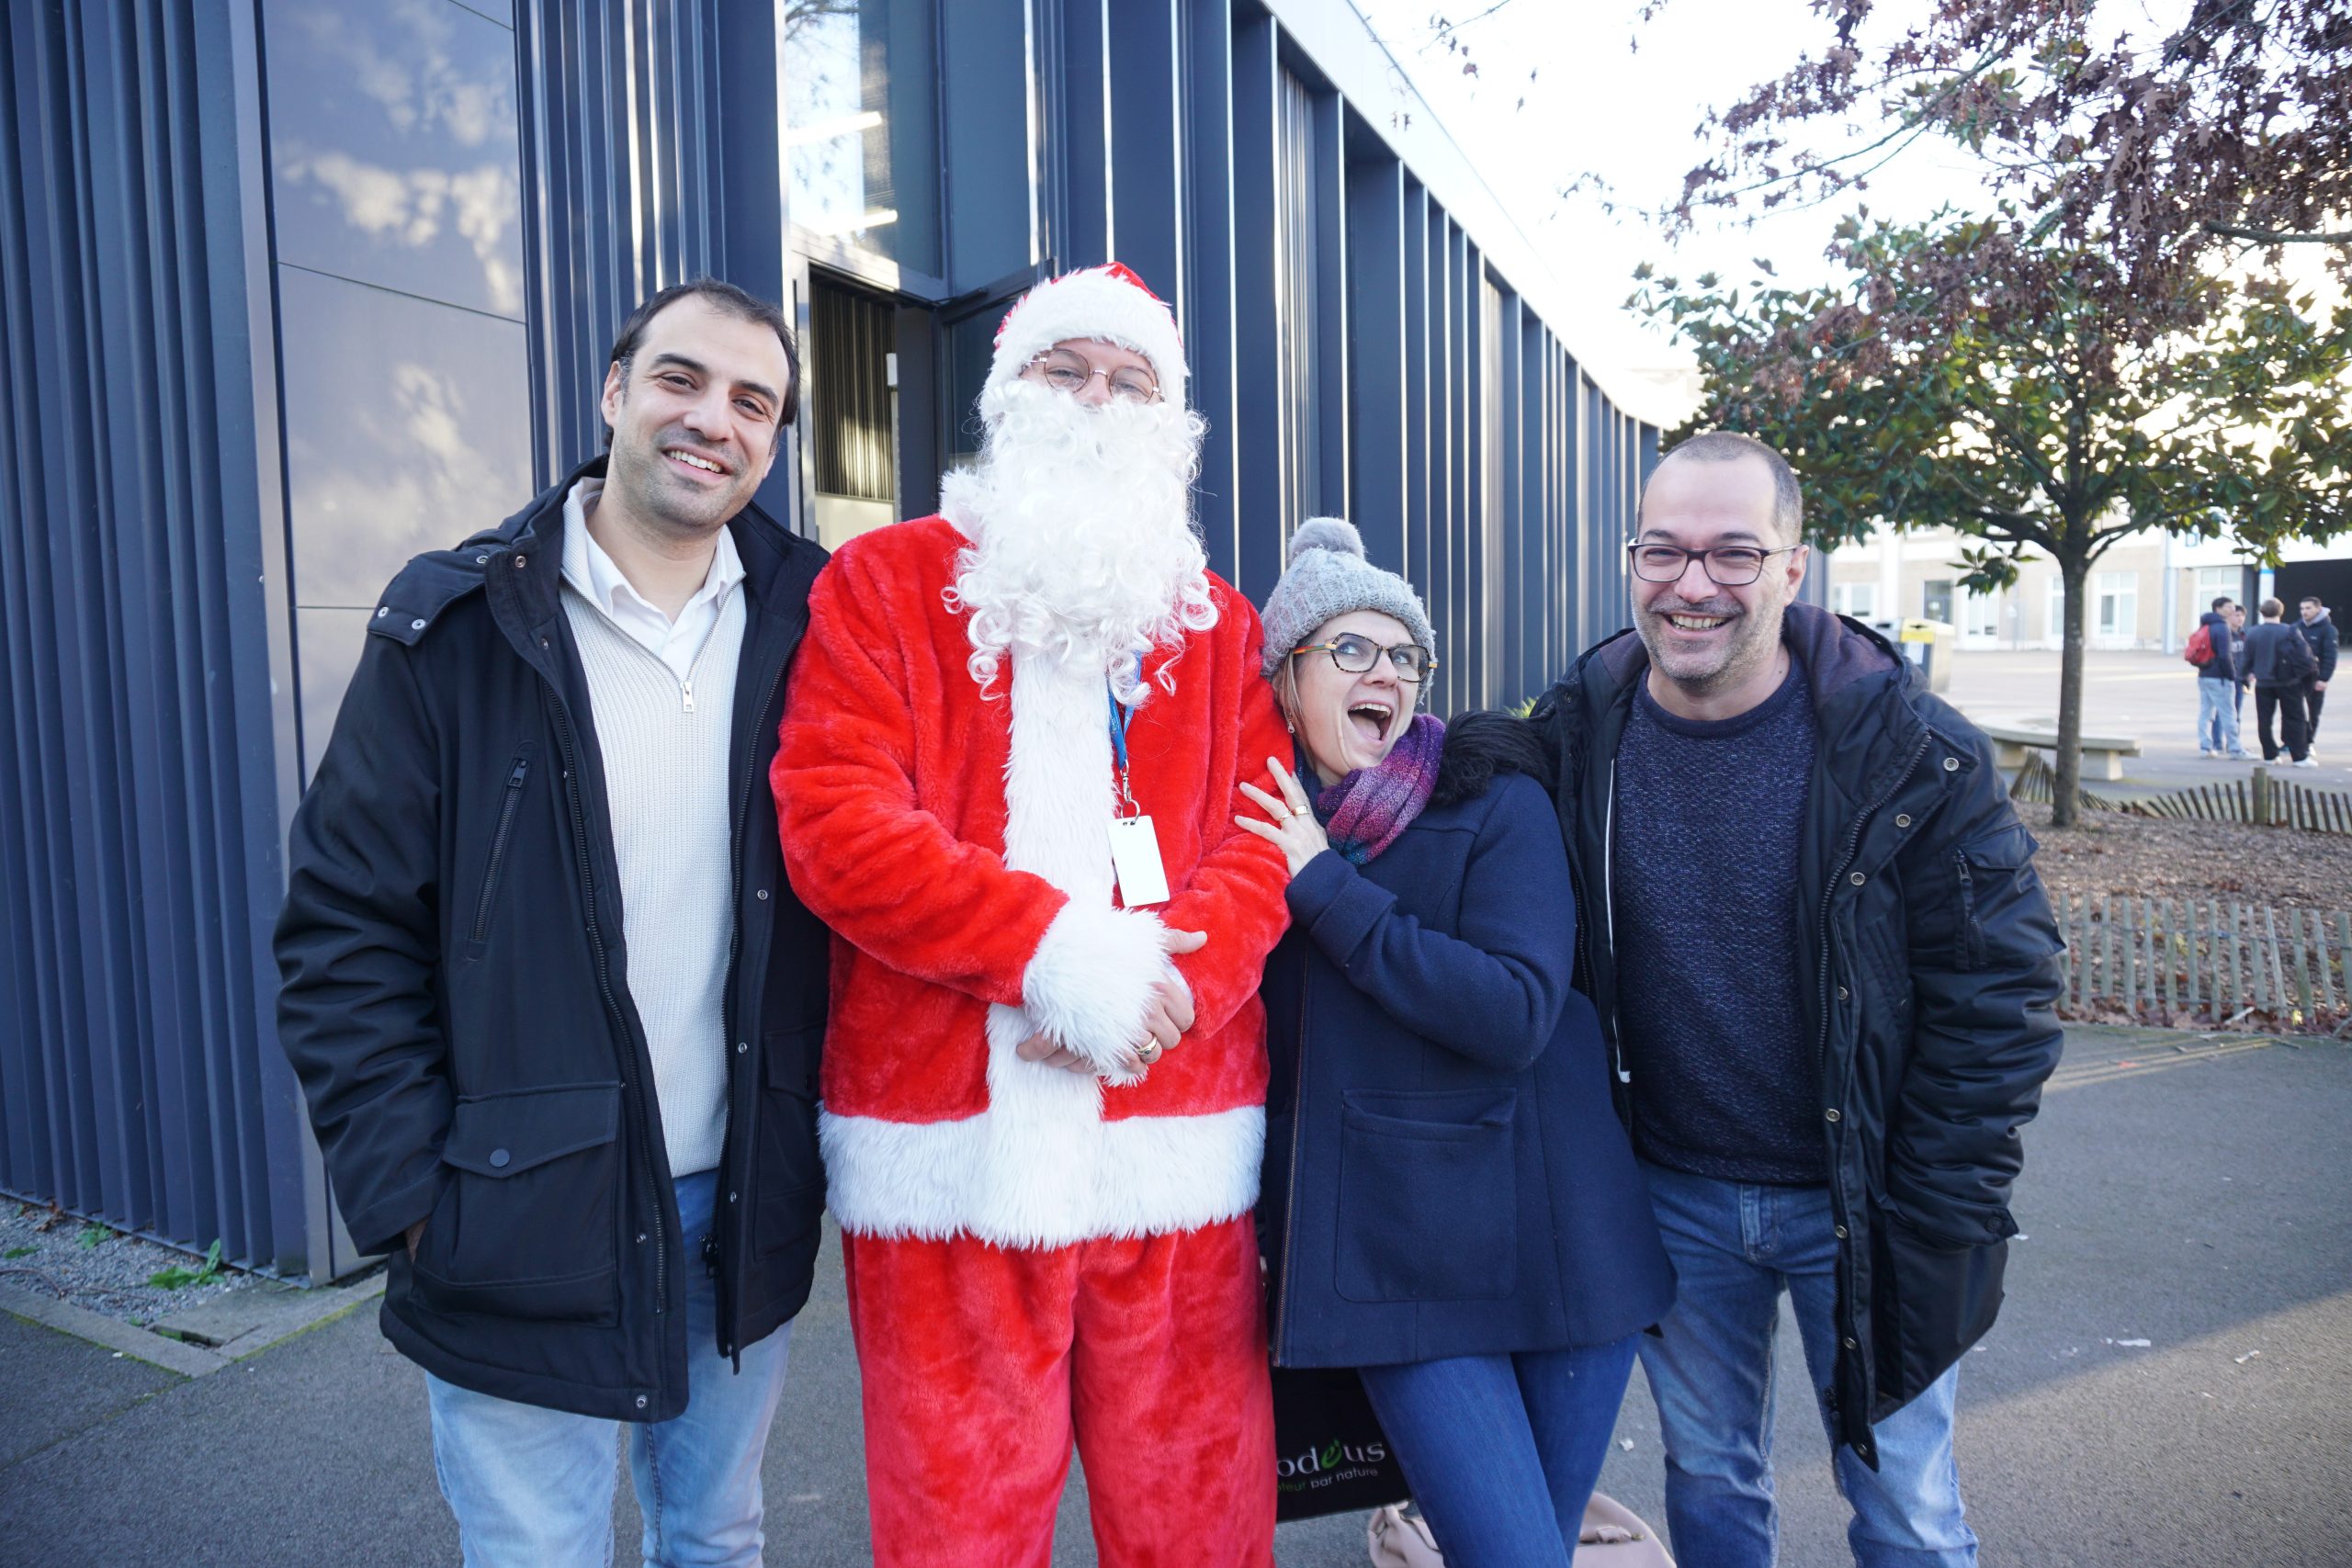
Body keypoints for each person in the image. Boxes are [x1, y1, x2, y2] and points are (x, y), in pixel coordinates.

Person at [274, 281, 830, 1567]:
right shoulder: (459, 627)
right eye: (681, 379)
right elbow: (343, 930)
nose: (713, 419)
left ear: (773, 438)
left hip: (741, 1200)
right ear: (615, 392)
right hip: (515, 1209)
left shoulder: (817, 625)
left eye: (753, 401)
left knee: (719, 1535)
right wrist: (415, 1198)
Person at [770, 263, 1293, 1567]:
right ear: (1010, 394)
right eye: (1068, 371)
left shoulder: (1219, 625)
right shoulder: (884, 582)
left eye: (1131, 381)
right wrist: (1056, 959)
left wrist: (1162, 995)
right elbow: (836, 820)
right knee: (955, 1523)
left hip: (1169, 1139)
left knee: (1196, 1514)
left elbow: (1264, 846)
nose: (1098, 400)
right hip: (950, 1145)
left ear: (1169, 420)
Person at [1528, 430, 2064, 1567]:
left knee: (1906, 1511)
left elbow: (2000, 998)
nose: (1691, 584)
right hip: (1669, 1192)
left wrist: (1936, 1202)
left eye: (1732, 553)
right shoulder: (1577, 736)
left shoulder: (1912, 753)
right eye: (1662, 551)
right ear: (1632, 561)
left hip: (1867, 1202)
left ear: (1790, 568)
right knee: (1710, 1479)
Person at [1241, 520, 1673, 1568]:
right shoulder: (1246, 824)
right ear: (1285, 675)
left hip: (1559, 1244)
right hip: (1396, 1261)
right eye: (1351, 648)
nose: (1384, 673)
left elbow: (1515, 1009)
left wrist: (1326, 888)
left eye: (1405, 655)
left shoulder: (1489, 796)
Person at [2245, 597, 2318, 766]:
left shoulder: (2253, 632)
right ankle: (2299, 757)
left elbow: (2246, 657)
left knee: (2264, 720)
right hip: (2288, 681)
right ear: (2281, 611)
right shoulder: (2290, 631)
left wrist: (2244, 677)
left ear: (2261, 612)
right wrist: (2307, 677)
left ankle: (2270, 755)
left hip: (2263, 682)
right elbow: (2305, 657)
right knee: (2294, 718)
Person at [2194, 595, 2249, 759]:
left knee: (2205, 712)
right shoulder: (2222, 627)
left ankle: (2205, 747)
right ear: (2218, 609)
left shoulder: (2206, 625)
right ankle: (2236, 749)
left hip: (2204, 674)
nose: (2233, 609)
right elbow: (2225, 655)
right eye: (2229, 607)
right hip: (2220, 677)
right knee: (2229, 713)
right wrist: (2232, 675)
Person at [2297, 596, 2336, 752]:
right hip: (2295, 676)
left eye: (2308, 608)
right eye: (2302, 608)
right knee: (2293, 711)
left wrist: (2324, 678)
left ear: (2318, 609)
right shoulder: (2296, 627)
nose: (2304, 612)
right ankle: (2290, 742)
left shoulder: (2328, 630)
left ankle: (2308, 743)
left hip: (2315, 677)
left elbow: (2330, 656)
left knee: (2313, 711)